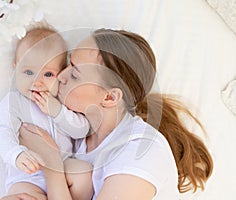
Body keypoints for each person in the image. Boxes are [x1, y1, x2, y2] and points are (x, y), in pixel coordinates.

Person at [15, 28, 214, 200]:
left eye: (75, 74)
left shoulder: (140, 153)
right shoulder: (76, 134)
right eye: (68, 63)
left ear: (110, 98)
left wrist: (50, 162)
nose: (61, 76)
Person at [0, 23, 93, 200]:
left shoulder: (62, 101)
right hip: (28, 175)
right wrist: (16, 154)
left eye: (48, 75)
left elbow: (82, 130)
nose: (37, 82)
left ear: (61, 74)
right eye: (29, 72)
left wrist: (58, 112)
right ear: (15, 69)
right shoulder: (14, 102)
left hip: (63, 169)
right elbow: (1, 132)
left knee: (84, 174)